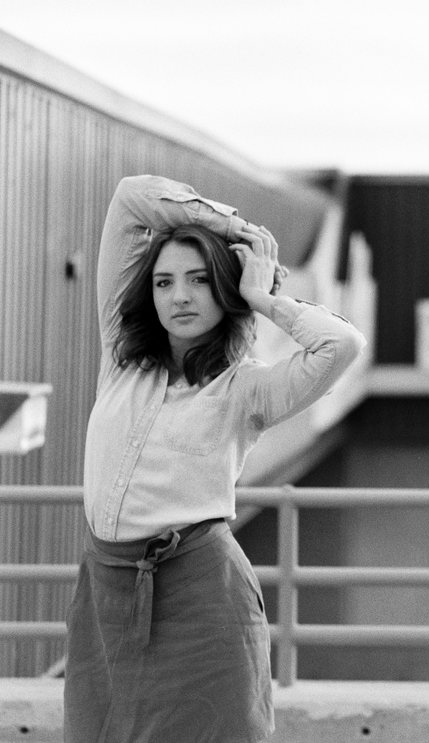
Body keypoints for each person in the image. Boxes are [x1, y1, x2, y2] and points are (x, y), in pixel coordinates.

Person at [64, 174, 367, 742]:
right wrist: (237, 228)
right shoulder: (122, 360)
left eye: (200, 280)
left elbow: (342, 346)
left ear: (225, 291)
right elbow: (132, 196)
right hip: (107, 589)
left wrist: (265, 298)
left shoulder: (246, 389)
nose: (179, 296)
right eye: (164, 282)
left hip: (201, 596)